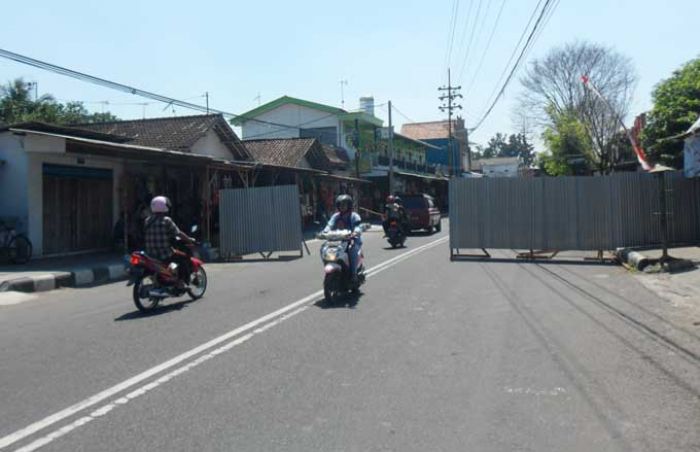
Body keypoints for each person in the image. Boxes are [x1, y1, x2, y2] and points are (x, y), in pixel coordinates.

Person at [144, 196, 195, 289]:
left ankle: (170, 278)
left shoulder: (147, 220)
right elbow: (178, 233)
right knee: (183, 258)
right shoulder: (167, 220)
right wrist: (189, 239)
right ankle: (180, 282)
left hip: (151, 254)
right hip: (165, 253)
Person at [323, 194, 363, 283]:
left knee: (352, 250)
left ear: (349, 205)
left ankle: (354, 274)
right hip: (337, 240)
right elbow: (329, 225)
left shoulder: (354, 216)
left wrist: (356, 232)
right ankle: (329, 264)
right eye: (340, 204)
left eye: (344, 204)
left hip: (352, 240)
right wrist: (324, 232)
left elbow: (358, 226)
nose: (342, 207)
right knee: (323, 247)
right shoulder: (336, 216)